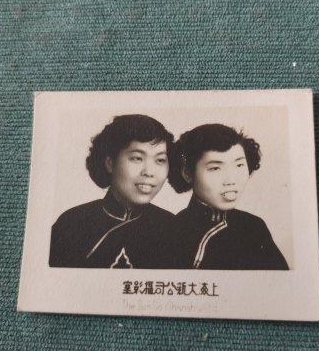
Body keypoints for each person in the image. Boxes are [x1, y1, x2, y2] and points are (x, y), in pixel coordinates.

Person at [49, 114, 176, 268]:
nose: (149, 172)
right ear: (110, 163)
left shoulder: (174, 228)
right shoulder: (71, 224)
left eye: (160, 160)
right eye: (137, 158)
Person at [168, 124, 289, 270]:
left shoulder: (254, 226)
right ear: (187, 173)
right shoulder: (174, 233)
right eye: (215, 168)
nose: (231, 180)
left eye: (239, 165)